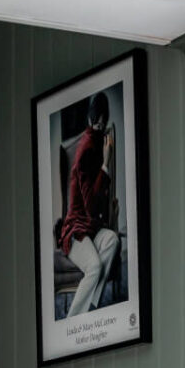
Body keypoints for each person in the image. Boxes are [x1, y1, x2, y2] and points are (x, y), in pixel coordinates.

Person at [58, 91, 120, 316]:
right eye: (98, 122)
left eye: (103, 122)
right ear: (90, 120)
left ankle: (91, 307)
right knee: (94, 267)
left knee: (112, 240)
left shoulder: (98, 141)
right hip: (76, 232)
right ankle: (73, 322)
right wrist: (105, 164)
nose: (101, 126)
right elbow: (91, 203)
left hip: (91, 228)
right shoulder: (87, 150)